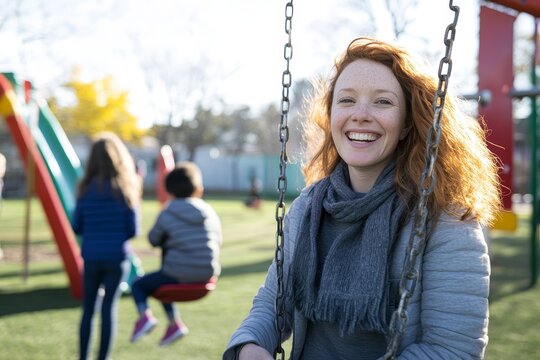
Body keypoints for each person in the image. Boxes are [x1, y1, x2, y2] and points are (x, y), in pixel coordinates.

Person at [223, 37, 501, 359]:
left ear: (408, 123)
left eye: (382, 102)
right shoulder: (309, 207)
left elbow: (453, 349)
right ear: (331, 115)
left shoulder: (446, 221)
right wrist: (249, 347)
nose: (360, 115)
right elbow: (271, 306)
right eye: (346, 100)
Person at [130, 161, 223, 346]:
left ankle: (145, 316)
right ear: (198, 189)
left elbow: (153, 240)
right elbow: (218, 239)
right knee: (167, 272)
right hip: (208, 274)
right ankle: (175, 324)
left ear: (169, 191)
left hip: (177, 274)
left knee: (139, 285)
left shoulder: (168, 212)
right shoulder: (209, 211)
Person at [72, 132, 141, 360]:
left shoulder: (84, 189)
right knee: (108, 310)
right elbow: (133, 230)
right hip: (116, 259)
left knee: (88, 310)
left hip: (91, 258)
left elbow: (77, 226)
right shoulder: (125, 190)